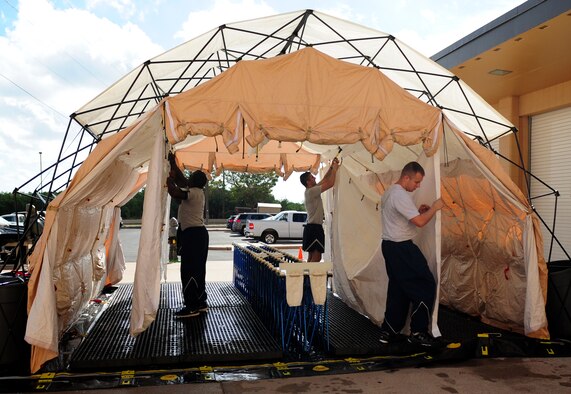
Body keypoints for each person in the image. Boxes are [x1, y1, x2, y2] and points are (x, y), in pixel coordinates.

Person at [379, 161, 444, 348]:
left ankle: (389, 331)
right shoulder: (399, 195)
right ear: (406, 177)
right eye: (416, 182)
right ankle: (418, 332)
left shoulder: (390, 192)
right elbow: (420, 223)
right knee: (426, 285)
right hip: (402, 248)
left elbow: (404, 218)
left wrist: (420, 211)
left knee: (399, 289)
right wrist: (434, 207)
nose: (418, 186)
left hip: (390, 247)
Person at [166, 152, 209, 318]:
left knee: (189, 270)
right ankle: (200, 302)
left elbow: (176, 192)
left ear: (195, 182)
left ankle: (191, 307)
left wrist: (168, 181)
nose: (188, 179)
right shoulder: (195, 190)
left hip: (193, 235)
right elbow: (181, 180)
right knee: (198, 270)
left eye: (191, 177)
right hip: (196, 235)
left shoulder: (195, 192)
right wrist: (172, 163)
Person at [299, 157, 340, 262]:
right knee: (316, 258)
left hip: (311, 228)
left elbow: (325, 179)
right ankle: (311, 277)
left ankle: (307, 278)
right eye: (312, 177)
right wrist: (335, 169)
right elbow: (330, 183)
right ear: (308, 182)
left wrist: (331, 167)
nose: (315, 178)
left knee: (311, 257)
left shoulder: (311, 190)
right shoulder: (311, 192)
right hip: (314, 228)